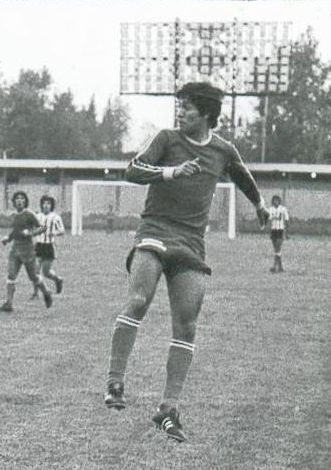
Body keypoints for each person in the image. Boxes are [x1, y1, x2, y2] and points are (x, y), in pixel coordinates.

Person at [103, 82, 270, 443]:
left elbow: (242, 175)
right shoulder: (166, 138)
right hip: (154, 230)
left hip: (191, 243)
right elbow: (132, 171)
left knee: (187, 325)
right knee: (138, 300)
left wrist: (259, 206)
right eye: (180, 107)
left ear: (206, 114)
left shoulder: (223, 149)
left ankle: (168, 409)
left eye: (188, 108)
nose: (181, 113)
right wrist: (170, 172)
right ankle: (115, 382)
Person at [0, 190, 53, 312]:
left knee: (33, 277)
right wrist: (8, 238)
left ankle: (46, 292)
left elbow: (42, 228)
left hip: (28, 250)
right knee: (11, 275)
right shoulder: (13, 215)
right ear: (14, 202)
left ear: (25, 201)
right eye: (17, 198)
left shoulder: (29, 214)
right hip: (15, 250)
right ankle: (9, 303)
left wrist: (30, 233)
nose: (19, 201)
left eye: (22, 198)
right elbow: (15, 231)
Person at [30, 195, 65, 300]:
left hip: (49, 246)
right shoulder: (37, 216)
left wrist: (53, 233)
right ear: (41, 205)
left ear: (51, 206)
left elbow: (62, 231)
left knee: (46, 272)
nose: (46, 206)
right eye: (44, 203)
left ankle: (58, 279)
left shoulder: (55, 217)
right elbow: (33, 229)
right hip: (39, 245)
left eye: (48, 204)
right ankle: (35, 293)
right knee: (35, 271)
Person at [268, 194, 290, 273]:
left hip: (280, 230)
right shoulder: (270, 209)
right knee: (277, 249)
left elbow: (287, 220)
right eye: (274, 200)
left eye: (277, 200)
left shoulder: (283, 209)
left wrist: (286, 233)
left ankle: (274, 266)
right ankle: (280, 267)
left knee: (277, 247)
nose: (275, 202)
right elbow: (270, 221)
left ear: (279, 201)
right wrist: (269, 231)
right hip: (274, 231)